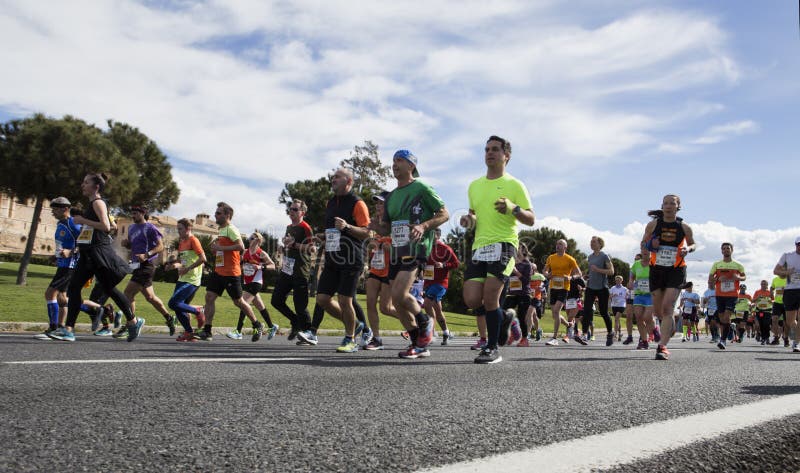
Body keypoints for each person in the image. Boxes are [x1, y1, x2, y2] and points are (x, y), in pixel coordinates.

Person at [461, 136, 534, 364]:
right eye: (486, 150)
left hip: (504, 244)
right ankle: (505, 319)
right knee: (473, 300)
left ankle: (492, 348)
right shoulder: (474, 185)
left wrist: (513, 208)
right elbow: (475, 215)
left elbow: (530, 219)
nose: (489, 153)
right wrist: (469, 219)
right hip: (479, 246)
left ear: (506, 156)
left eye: (494, 149)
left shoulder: (515, 185)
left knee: (491, 295)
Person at [369, 149, 449, 359]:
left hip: (417, 247)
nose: (395, 164)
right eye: (393, 160)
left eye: (400, 160)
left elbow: (444, 214)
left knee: (398, 294)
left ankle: (425, 322)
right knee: (396, 302)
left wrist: (423, 226)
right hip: (397, 249)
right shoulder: (392, 196)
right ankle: (418, 343)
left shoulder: (421, 187)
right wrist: (378, 227)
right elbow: (387, 228)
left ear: (411, 165)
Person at [50, 173, 144, 342]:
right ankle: (69, 329)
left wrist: (82, 219)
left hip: (99, 254)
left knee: (109, 290)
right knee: (74, 287)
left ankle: (133, 321)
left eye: (86, 182)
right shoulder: (91, 203)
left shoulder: (98, 202)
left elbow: (106, 226)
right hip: (88, 254)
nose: (82, 185)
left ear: (96, 187)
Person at [312, 168, 372, 353]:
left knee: (345, 300)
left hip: (351, 258)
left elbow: (367, 233)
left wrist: (347, 227)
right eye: (333, 176)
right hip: (332, 258)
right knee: (322, 299)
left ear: (349, 181)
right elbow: (333, 231)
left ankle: (350, 338)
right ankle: (355, 325)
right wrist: (322, 236)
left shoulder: (358, 203)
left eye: (337, 177)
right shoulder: (330, 203)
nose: (333, 179)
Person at [641, 194, 696, 360]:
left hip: (676, 270)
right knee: (658, 312)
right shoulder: (653, 224)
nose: (668, 205)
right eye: (666, 203)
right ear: (662, 206)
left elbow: (693, 243)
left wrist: (688, 249)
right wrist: (650, 247)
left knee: (667, 308)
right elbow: (643, 243)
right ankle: (668, 326)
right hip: (656, 269)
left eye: (672, 203)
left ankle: (662, 346)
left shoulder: (684, 227)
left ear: (678, 206)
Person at [194, 202, 255, 341]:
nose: (215, 215)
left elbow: (241, 246)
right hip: (219, 271)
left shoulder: (231, 229)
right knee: (209, 297)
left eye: (218, 213)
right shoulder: (221, 230)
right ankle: (207, 331)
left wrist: (220, 248)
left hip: (231, 273)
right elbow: (224, 248)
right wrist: (216, 248)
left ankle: (257, 324)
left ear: (227, 215)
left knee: (238, 302)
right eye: (216, 212)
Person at [121, 205, 176, 336]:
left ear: (142, 213)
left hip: (147, 265)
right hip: (136, 265)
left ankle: (131, 324)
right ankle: (169, 318)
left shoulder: (150, 228)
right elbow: (132, 245)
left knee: (128, 293)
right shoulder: (132, 228)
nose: (133, 216)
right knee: (150, 297)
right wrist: (127, 244)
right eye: (132, 214)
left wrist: (146, 255)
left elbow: (160, 246)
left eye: (135, 213)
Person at [271, 199, 316, 344]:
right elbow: (289, 246)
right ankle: (295, 321)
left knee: (300, 305)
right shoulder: (289, 227)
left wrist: (295, 244)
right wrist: (283, 247)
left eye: (295, 209)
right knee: (276, 300)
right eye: (290, 209)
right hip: (287, 270)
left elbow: (312, 249)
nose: (291, 211)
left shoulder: (305, 227)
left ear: (302, 212)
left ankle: (308, 332)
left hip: (300, 271)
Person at [226, 232, 278, 342]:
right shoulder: (245, 252)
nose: (249, 240)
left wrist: (260, 267)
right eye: (249, 238)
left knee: (243, 303)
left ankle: (238, 331)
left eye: (252, 238)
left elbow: (273, 265)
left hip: (256, 282)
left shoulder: (261, 253)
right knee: (260, 307)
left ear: (258, 241)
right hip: (247, 282)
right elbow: (239, 263)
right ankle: (271, 326)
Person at [364, 191, 396, 350]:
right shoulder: (374, 223)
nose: (377, 206)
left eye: (381, 203)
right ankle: (376, 338)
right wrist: (371, 244)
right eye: (376, 203)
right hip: (375, 269)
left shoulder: (393, 223)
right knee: (370, 303)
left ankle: (417, 320)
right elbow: (371, 246)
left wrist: (383, 245)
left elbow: (397, 248)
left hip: (390, 271)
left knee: (386, 308)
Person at [166, 218, 207, 341]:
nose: (178, 231)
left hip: (192, 280)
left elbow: (203, 259)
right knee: (178, 307)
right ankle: (189, 333)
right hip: (182, 278)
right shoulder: (181, 242)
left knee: (173, 303)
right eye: (177, 229)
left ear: (188, 228)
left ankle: (198, 311)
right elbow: (182, 261)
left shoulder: (194, 240)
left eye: (180, 229)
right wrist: (174, 266)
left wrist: (188, 269)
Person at [423, 228, 460, 345]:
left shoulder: (445, 248)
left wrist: (443, 264)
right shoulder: (426, 248)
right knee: (438, 311)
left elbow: (456, 263)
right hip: (428, 281)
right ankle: (446, 332)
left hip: (440, 283)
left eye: (432, 234)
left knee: (427, 304)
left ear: (438, 236)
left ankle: (430, 332)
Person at [543, 239, 581, 346]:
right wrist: (547, 274)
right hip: (553, 287)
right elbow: (544, 270)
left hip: (564, 288)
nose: (558, 246)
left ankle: (554, 338)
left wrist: (570, 277)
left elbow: (579, 273)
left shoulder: (570, 259)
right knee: (555, 314)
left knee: (556, 311)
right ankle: (569, 325)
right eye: (557, 244)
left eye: (560, 244)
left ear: (565, 247)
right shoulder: (551, 257)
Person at [708, 242, 746, 350]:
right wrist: (717, 279)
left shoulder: (738, 265)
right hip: (720, 294)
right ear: (721, 251)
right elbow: (710, 279)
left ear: (732, 250)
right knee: (722, 318)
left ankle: (723, 340)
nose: (726, 250)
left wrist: (738, 277)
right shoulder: (716, 264)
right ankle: (730, 326)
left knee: (726, 316)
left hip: (732, 294)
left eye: (728, 248)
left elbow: (744, 277)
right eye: (724, 248)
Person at [582, 236, 615, 346]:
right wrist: (587, 276)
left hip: (602, 288)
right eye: (591, 242)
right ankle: (584, 335)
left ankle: (610, 333)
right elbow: (592, 271)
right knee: (586, 310)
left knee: (604, 312)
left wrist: (598, 270)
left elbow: (611, 271)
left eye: (594, 242)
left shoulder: (604, 256)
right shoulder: (590, 257)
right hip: (591, 287)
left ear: (600, 244)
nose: (591, 243)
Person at [773, 237, 800, 352]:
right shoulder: (787, 256)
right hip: (790, 291)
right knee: (790, 321)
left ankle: (797, 343)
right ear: (795, 245)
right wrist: (786, 272)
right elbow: (776, 271)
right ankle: (796, 338)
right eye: (799, 244)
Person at [504, 245, 532, 347]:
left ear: (523, 250)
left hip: (524, 294)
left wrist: (516, 272)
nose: (515, 249)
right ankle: (514, 331)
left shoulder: (527, 264)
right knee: (503, 311)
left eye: (518, 247)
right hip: (512, 293)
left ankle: (524, 339)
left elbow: (526, 281)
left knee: (521, 316)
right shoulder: (512, 262)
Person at [628, 253, 654, 349]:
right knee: (638, 317)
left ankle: (654, 330)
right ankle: (644, 341)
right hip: (639, 294)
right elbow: (632, 276)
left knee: (647, 317)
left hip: (650, 295)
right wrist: (631, 281)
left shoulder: (654, 263)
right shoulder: (636, 264)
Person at [527, 263, 546, 342]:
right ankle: (538, 330)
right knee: (534, 316)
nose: (530, 270)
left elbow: (545, 283)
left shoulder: (540, 276)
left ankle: (527, 334)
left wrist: (543, 289)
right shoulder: (527, 276)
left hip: (537, 297)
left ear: (534, 269)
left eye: (532, 268)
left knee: (530, 313)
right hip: (528, 297)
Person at [752, 280, 774, 346]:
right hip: (759, 311)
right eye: (762, 284)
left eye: (765, 284)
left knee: (766, 324)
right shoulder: (757, 292)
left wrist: (771, 301)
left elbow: (773, 300)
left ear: (767, 285)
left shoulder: (769, 292)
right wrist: (757, 298)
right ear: (760, 285)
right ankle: (764, 338)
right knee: (761, 324)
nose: (763, 285)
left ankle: (766, 337)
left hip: (768, 311)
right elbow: (753, 300)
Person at [609, 276, 630, 344]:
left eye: (619, 280)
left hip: (621, 305)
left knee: (616, 319)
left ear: (622, 281)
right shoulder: (613, 288)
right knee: (617, 320)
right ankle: (620, 332)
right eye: (616, 280)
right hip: (614, 305)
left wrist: (627, 296)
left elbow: (628, 297)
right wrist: (613, 295)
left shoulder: (624, 289)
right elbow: (609, 297)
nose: (617, 281)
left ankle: (615, 335)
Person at [770, 275, 787, 345]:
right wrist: (771, 292)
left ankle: (786, 338)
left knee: (786, 322)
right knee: (774, 319)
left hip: (787, 302)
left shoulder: (789, 279)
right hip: (777, 302)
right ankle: (776, 338)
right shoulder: (775, 279)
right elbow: (772, 287)